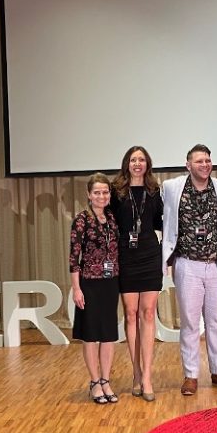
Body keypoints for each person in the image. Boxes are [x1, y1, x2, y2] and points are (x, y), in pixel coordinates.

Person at [162, 144, 217, 395]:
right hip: (187, 265)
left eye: (207, 160)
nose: (205, 165)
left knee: (215, 322)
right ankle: (191, 375)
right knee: (189, 323)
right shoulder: (171, 188)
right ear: (188, 165)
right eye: (199, 161)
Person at [110, 146, 163, 402]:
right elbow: (110, 223)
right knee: (130, 314)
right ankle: (135, 372)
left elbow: (161, 222)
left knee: (148, 313)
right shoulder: (116, 191)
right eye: (133, 159)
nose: (137, 163)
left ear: (147, 164)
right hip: (126, 256)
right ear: (126, 164)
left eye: (142, 159)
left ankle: (148, 377)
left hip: (150, 254)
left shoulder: (154, 191)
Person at [69, 173, 120, 404]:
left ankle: (106, 380)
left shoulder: (112, 218)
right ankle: (94, 381)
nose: (102, 196)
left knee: (108, 334)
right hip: (88, 284)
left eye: (105, 192)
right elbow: (74, 257)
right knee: (91, 336)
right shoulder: (81, 220)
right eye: (97, 192)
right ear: (89, 195)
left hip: (110, 282)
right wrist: (76, 289)